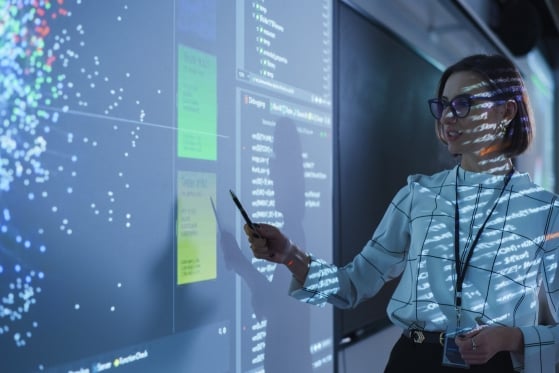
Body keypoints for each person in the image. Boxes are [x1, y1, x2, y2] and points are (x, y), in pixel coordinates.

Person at [243, 54, 559, 372]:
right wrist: (289, 255)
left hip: (493, 365)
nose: (448, 117)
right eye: (443, 104)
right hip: (412, 361)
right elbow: (352, 285)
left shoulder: (544, 211)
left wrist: (510, 339)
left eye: (463, 104)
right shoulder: (418, 195)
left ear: (505, 111)